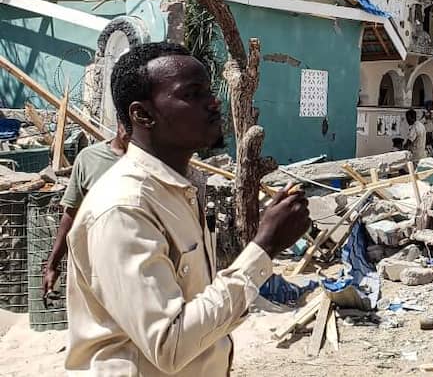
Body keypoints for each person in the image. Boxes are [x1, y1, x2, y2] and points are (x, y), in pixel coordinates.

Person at [65, 42, 310, 375]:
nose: (213, 102)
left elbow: (197, 309)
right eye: (192, 94)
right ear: (143, 115)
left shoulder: (181, 189)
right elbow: (170, 344)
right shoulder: (124, 208)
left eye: (209, 91)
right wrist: (264, 248)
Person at [41, 124, 131, 300]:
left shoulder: (153, 162)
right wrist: (52, 265)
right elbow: (71, 214)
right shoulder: (89, 159)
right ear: (119, 122)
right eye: (129, 126)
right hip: (98, 268)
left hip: (140, 267)